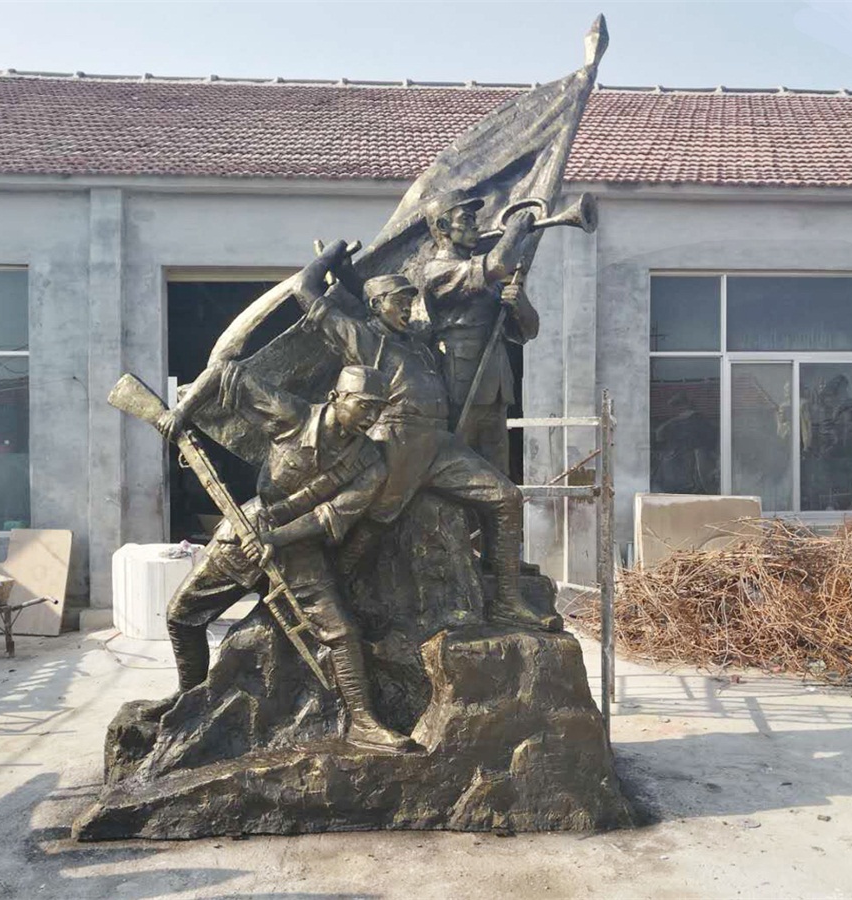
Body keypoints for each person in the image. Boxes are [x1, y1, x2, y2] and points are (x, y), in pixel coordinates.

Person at [292, 241, 560, 632]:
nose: (408, 307)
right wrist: (331, 256)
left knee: (507, 498)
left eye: (409, 300)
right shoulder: (362, 337)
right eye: (399, 301)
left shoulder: (416, 340)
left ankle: (506, 602)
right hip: (397, 441)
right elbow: (303, 289)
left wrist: (350, 276)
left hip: (439, 444)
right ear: (376, 306)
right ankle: (329, 598)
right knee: (374, 523)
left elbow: (388, 299)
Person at [152, 363, 416, 752]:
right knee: (181, 615)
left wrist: (274, 539)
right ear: (336, 397)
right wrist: (180, 413)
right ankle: (189, 701)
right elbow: (225, 372)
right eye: (365, 405)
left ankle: (362, 723)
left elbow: (327, 517)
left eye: (379, 408)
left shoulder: (371, 464)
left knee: (341, 633)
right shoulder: (293, 416)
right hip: (244, 530)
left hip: (299, 547)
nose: (372, 416)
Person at [421, 189, 541, 475]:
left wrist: (520, 304)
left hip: (496, 384)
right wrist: (515, 231)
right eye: (467, 219)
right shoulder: (437, 270)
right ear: (443, 226)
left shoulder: (488, 281)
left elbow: (527, 333)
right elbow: (498, 264)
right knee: (458, 467)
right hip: (461, 381)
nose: (476, 225)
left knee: (497, 472)